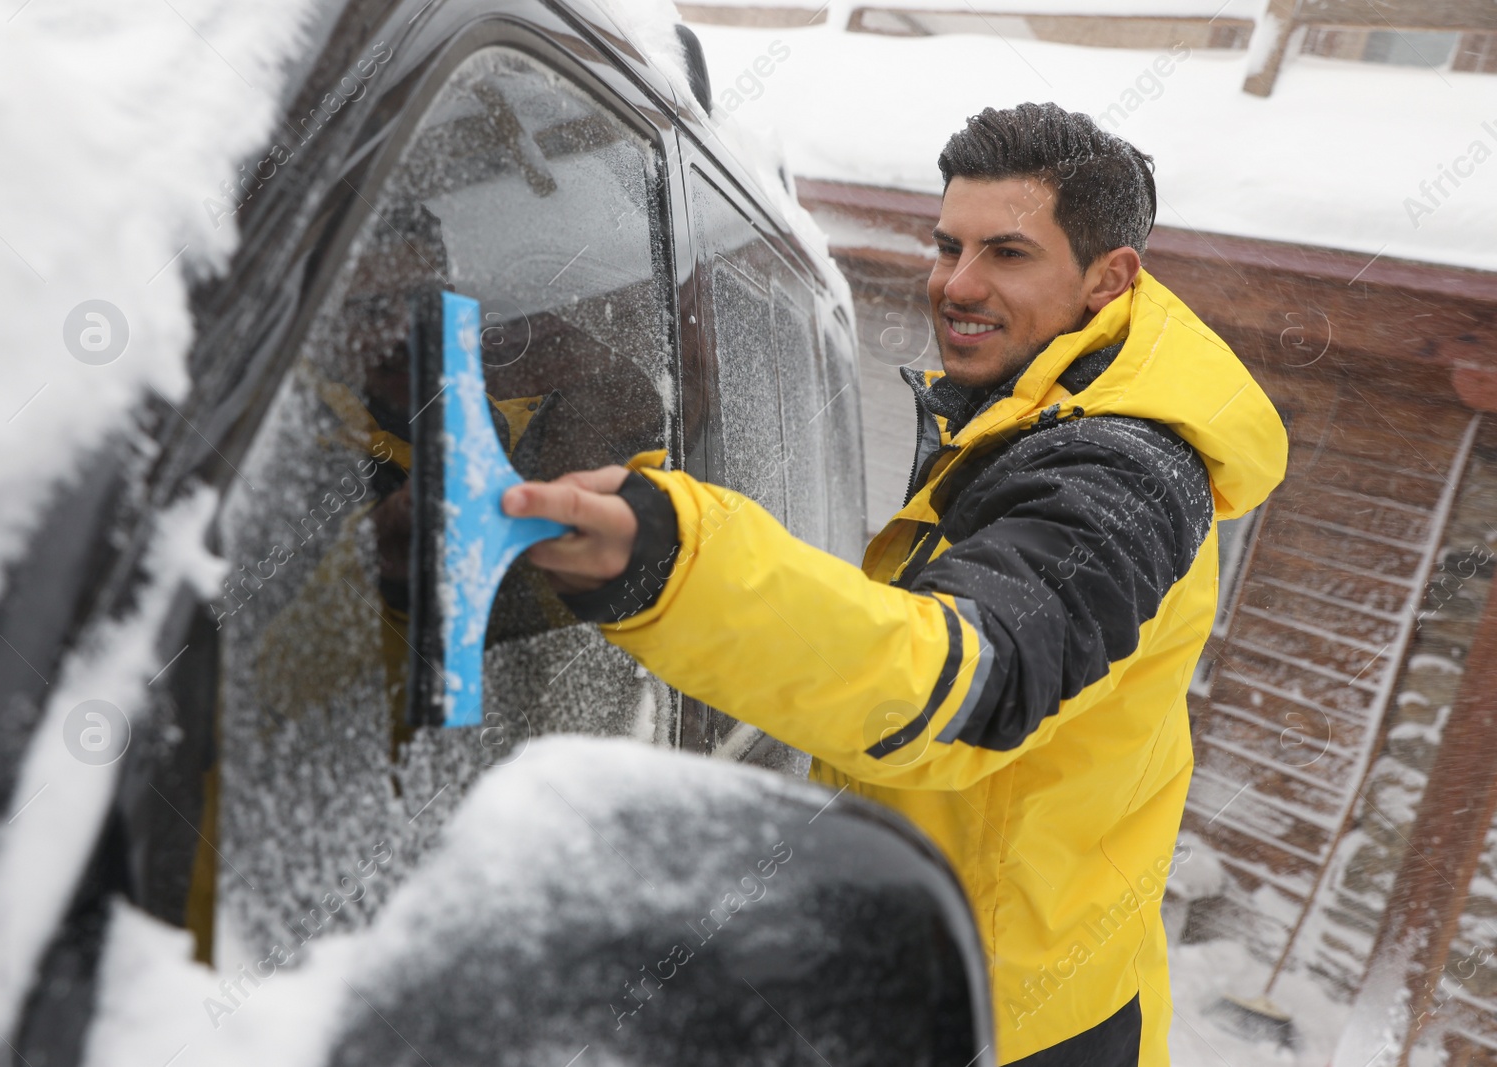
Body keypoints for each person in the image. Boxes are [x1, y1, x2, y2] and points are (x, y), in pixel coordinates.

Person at [502, 101, 1287, 1066]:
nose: (956, 284)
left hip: (995, 1023)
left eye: (1006, 252)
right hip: (1011, 968)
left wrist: (672, 558)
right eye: (946, 244)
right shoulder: (1038, 407)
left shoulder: (1124, 473)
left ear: (1106, 277)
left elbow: (961, 682)